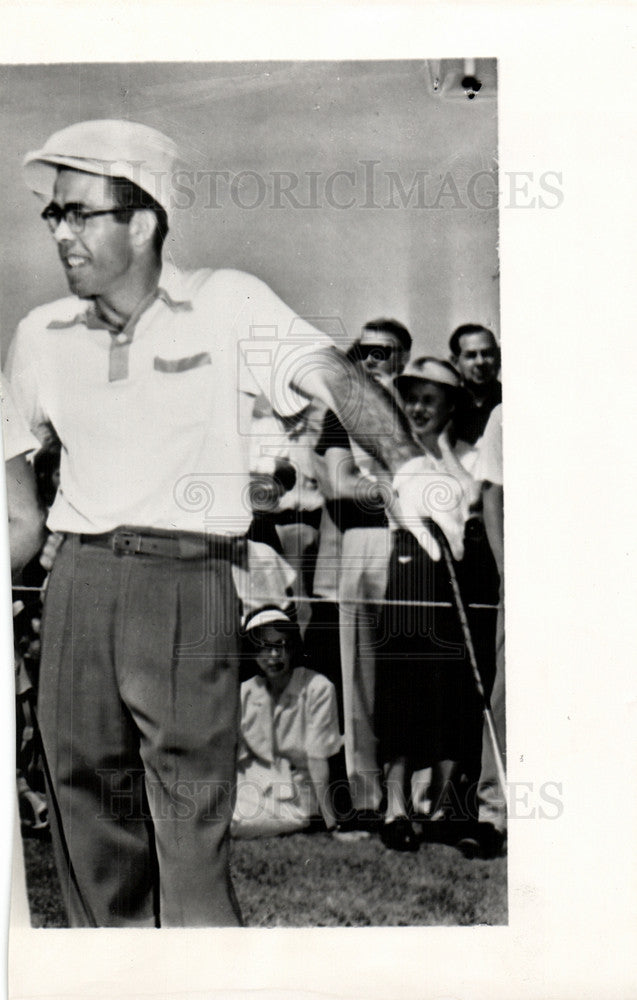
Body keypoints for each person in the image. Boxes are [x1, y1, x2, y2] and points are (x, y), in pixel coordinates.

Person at [6, 119, 432, 926]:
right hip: (79, 585)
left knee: (190, 843)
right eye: (52, 215)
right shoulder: (38, 336)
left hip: (189, 582)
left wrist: (406, 463)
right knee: (89, 838)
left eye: (78, 212)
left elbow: (331, 375)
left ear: (144, 219)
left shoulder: (228, 301)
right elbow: (18, 516)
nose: (59, 232)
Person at [376, 358, 483, 851]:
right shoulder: (394, 451)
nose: (418, 408)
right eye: (412, 398)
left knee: (451, 689)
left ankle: (441, 806)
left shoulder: (469, 454)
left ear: (451, 407)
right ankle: (395, 807)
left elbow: (469, 495)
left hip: (453, 580)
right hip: (408, 571)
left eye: (430, 400)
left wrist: (443, 451)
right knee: (401, 685)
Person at [314, 322, 411, 823]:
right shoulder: (343, 413)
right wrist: (395, 489)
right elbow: (337, 485)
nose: (372, 362)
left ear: (403, 359)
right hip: (366, 541)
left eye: (384, 353)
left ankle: (415, 797)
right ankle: (369, 796)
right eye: (363, 353)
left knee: (415, 670)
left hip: (417, 545)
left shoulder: (414, 408)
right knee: (362, 672)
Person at [231, 607, 342, 838]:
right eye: (263, 647)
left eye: (279, 645)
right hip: (250, 785)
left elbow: (317, 759)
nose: (273, 656)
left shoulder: (318, 688)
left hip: (295, 794)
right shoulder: (246, 692)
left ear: (292, 647)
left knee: (227, 822)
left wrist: (332, 825)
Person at [456, 403, 506, 858]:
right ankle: (495, 813)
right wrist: (507, 565)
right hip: (524, 575)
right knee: (506, 693)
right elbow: (492, 492)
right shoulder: (504, 415)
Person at [449, 324, 501, 444]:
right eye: (471, 356)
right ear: (455, 362)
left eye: (487, 354)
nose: (480, 362)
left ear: (498, 357)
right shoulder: (447, 406)